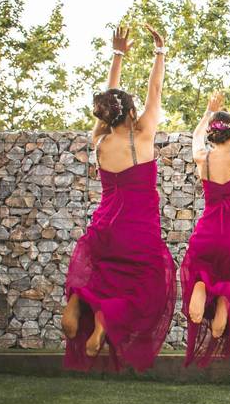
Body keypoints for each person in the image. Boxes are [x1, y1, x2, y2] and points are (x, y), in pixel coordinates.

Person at [62, 23, 176, 372]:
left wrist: (118, 54)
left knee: (103, 276)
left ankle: (81, 301)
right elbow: (155, 91)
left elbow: (110, 99)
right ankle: (103, 323)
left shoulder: (99, 139)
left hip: (105, 223)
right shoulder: (139, 139)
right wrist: (160, 53)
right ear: (130, 113)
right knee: (145, 286)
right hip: (137, 226)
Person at [180, 42, 230, 367]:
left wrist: (206, 113)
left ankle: (203, 286)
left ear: (214, 135)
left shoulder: (204, 158)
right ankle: (226, 302)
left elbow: (194, 139)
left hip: (209, 230)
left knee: (206, 270)